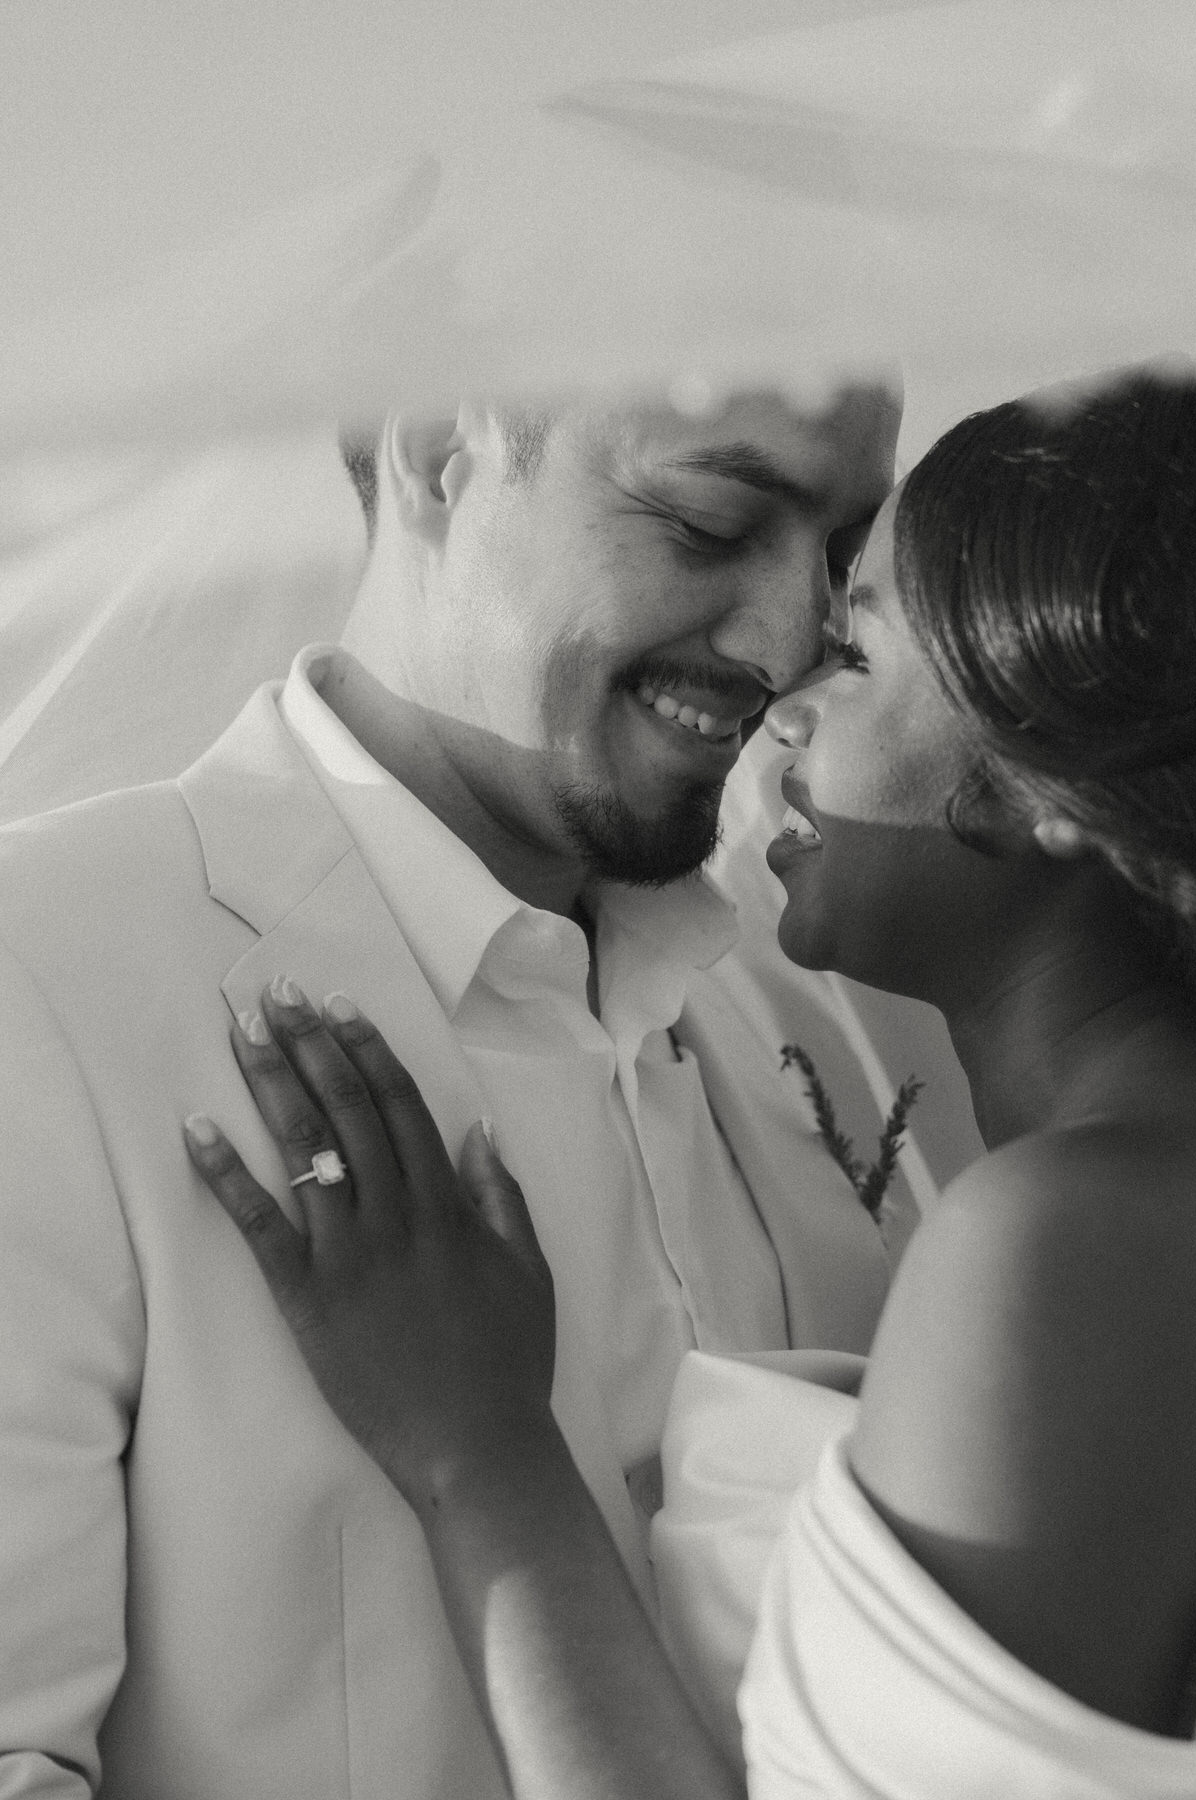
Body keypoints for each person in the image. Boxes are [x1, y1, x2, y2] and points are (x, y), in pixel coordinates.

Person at [187, 364, 1196, 1797]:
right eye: (716, 523)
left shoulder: (1073, 1237)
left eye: (856, 649)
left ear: (1044, 782)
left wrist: (483, 1456)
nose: (785, 670)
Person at [0, 381, 903, 1797]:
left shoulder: (846, 993)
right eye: (710, 518)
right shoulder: (40, 979)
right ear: (437, 446)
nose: (795, 635)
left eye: (845, 548)